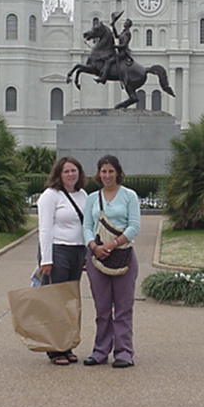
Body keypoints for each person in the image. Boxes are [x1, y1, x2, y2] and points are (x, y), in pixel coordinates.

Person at [82, 155, 141, 368]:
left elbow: (134, 226)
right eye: (103, 171)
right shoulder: (92, 198)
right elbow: (86, 225)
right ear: (98, 174)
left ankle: (124, 352)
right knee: (102, 307)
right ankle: (100, 351)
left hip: (122, 255)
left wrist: (112, 244)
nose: (107, 175)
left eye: (110, 171)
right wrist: (94, 246)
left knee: (123, 307)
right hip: (97, 258)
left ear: (118, 173)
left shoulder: (129, 196)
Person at [36, 156, 88, 366]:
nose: (70, 174)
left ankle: (67, 346)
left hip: (77, 251)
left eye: (73, 170)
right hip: (58, 251)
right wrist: (46, 260)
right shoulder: (50, 196)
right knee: (56, 300)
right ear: (58, 174)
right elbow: (45, 229)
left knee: (69, 301)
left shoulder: (83, 194)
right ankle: (54, 349)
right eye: (66, 171)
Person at [95, 13, 134, 85]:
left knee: (109, 61)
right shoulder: (124, 32)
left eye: (126, 22)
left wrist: (114, 46)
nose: (124, 23)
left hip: (123, 53)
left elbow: (124, 45)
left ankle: (103, 78)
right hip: (120, 52)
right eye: (125, 22)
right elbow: (116, 36)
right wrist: (113, 26)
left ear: (128, 25)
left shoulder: (127, 33)